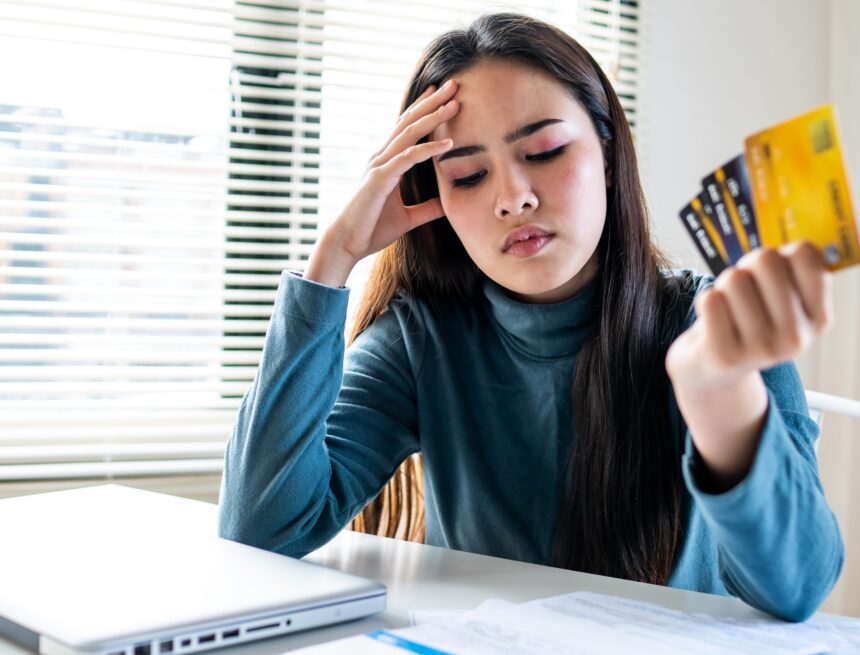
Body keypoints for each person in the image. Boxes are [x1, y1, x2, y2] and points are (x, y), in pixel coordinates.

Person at [217, 13, 843, 622]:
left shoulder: (716, 326)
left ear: (606, 149)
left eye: (543, 151)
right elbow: (261, 526)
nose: (513, 197)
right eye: (467, 175)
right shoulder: (420, 339)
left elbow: (796, 587)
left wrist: (721, 397)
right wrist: (333, 259)